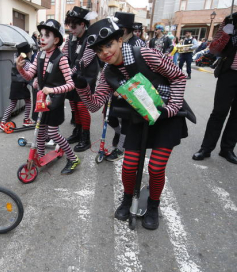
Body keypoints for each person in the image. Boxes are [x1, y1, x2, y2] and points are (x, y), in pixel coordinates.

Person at [72, 17, 190, 230]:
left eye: (108, 45)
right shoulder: (107, 73)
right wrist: (81, 86)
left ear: (119, 39)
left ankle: (153, 205)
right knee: (128, 167)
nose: (105, 52)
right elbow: (95, 105)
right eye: (99, 50)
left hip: (166, 117)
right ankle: (127, 199)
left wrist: (171, 108)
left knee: (155, 167)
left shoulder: (145, 54)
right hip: (138, 118)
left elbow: (179, 77)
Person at [16, 19, 81, 174]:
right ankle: (41, 156)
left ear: (56, 39)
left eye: (46, 35)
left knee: (53, 133)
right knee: (40, 130)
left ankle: (73, 158)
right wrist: (20, 68)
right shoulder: (39, 55)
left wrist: (52, 90)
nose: (42, 38)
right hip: (41, 100)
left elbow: (71, 84)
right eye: (41, 35)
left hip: (54, 102)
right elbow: (29, 75)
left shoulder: (62, 58)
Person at [192, 13, 237, 164]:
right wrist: (226, 34)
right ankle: (206, 148)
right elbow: (213, 49)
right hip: (229, 73)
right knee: (219, 111)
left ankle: (227, 149)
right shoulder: (231, 20)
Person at [105, 12, 148, 162]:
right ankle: (119, 133)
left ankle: (120, 148)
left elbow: (144, 71)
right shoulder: (113, 41)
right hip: (115, 87)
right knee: (109, 116)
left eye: (121, 28)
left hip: (133, 89)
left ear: (128, 29)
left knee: (127, 121)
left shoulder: (138, 44)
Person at [62, 6, 99, 152]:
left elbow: (84, 60)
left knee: (82, 106)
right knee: (73, 104)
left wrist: (69, 74)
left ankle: (86, 137)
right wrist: (65, 71)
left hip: (86, 77)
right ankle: (77, 132)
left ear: (83, 24)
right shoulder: (71, 37)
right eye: (69, 26)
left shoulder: (91, 38)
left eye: (73, 26)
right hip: (71, 75)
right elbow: (64, 54)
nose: (71, 30)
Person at [0, 42, 35, 130]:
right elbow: (33, 70)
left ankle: (3, 122)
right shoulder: (25, 63)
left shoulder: (16, 58)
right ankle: (26, 120)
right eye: (29, 52)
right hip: (21, 84)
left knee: (13, 104)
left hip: (14, 84)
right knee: (28, 101)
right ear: (26, 53)